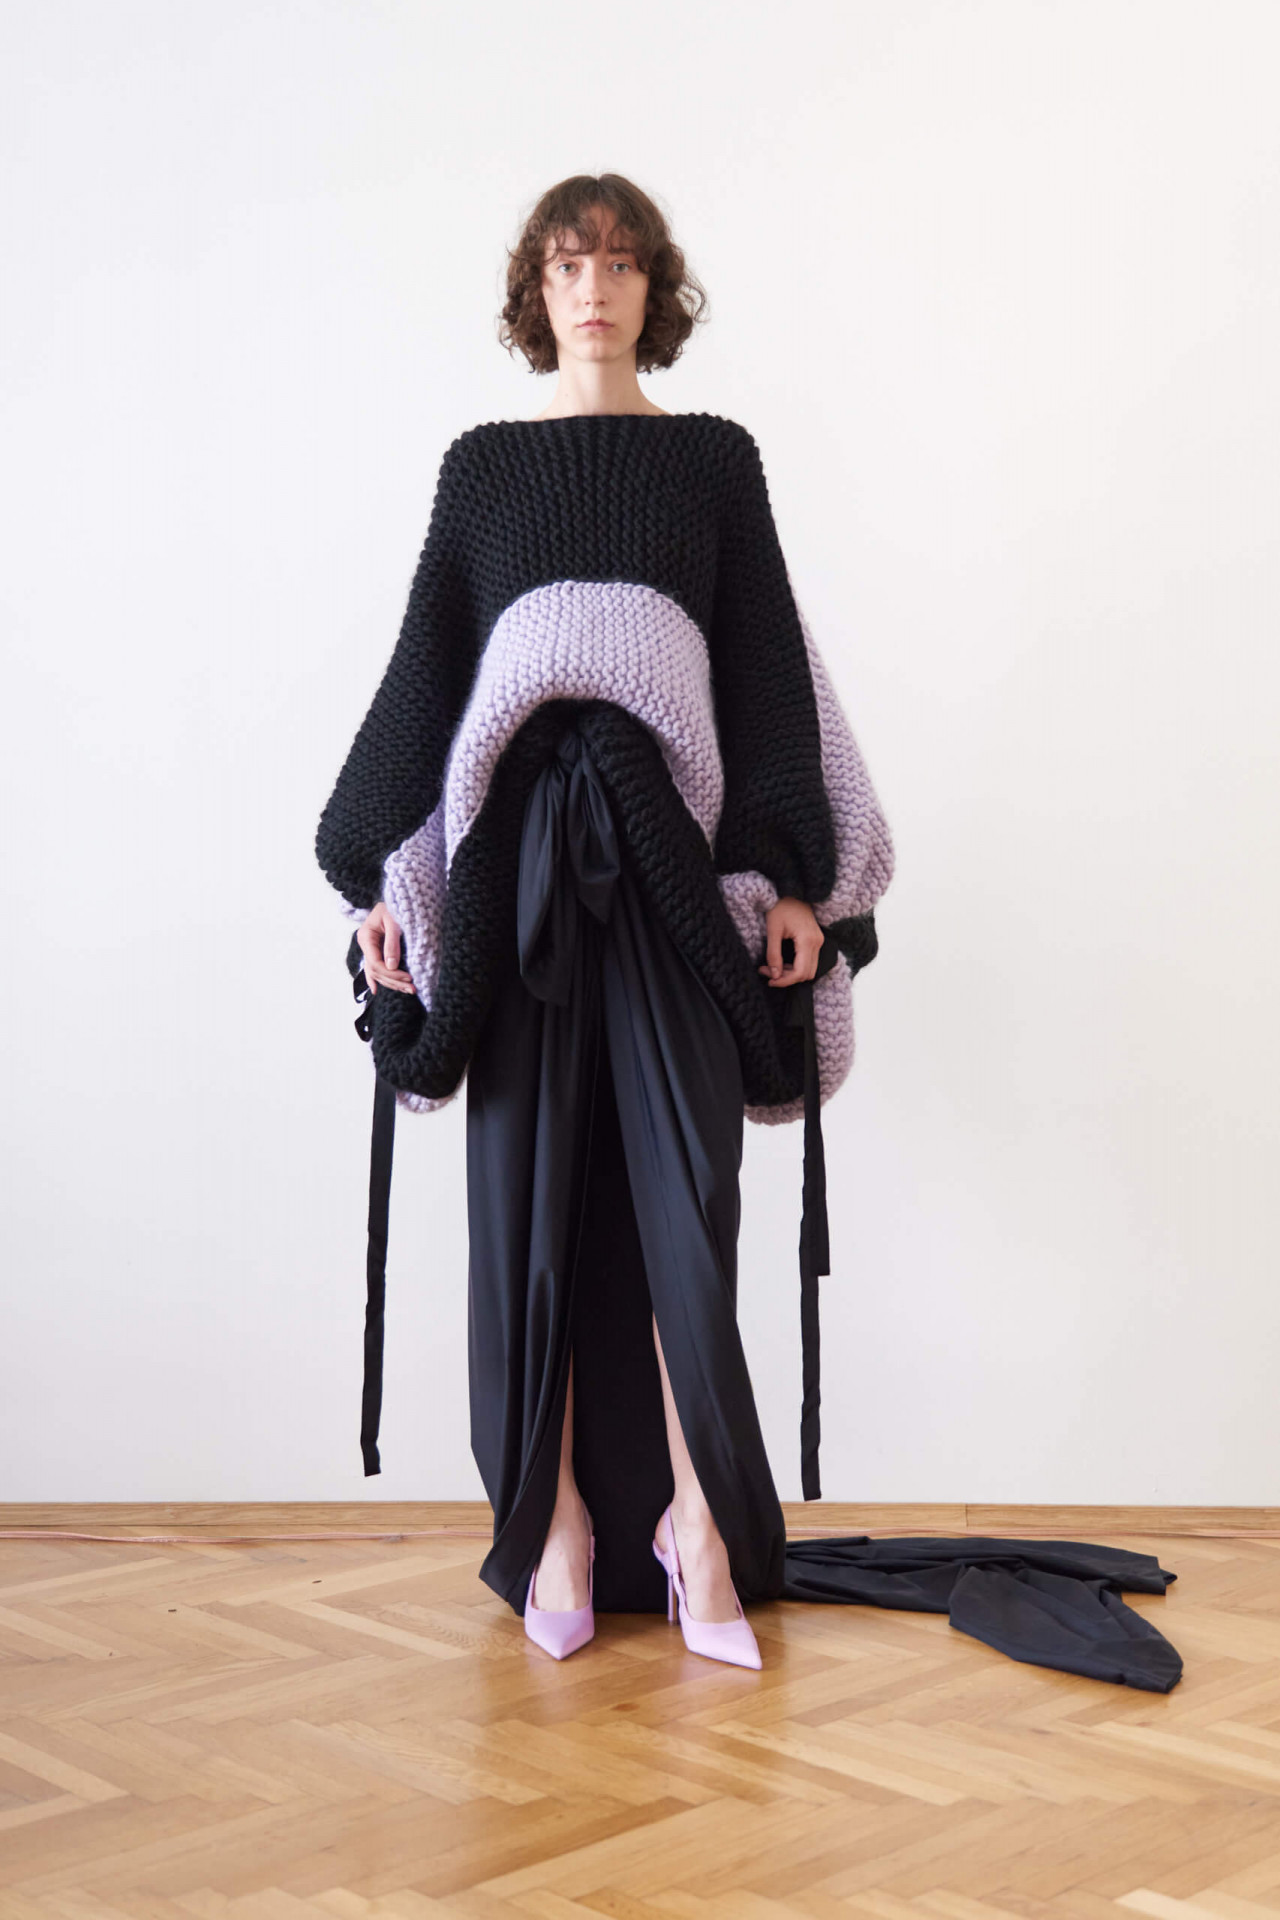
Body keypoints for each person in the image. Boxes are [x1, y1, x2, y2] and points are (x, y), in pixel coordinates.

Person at [315, 174, 1184, 1691]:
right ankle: (557, 1531)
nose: (595, 289)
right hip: (519, 885)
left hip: (667, 881)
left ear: (656, 291)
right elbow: (427, 685)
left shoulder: (714, 460)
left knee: (685, 1211)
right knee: (525, 1215)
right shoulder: (482, 472)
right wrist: (382, 884)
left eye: (620, 263)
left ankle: (703, 1526)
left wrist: (784, 870)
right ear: (535, 292)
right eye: (567, 264)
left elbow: (766, 670)